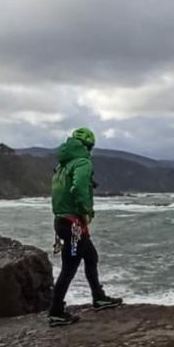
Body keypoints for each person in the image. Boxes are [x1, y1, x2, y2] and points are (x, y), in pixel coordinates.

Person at [48, 127, 123, 326]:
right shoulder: (82, 162)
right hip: (74, 224)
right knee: (69, 267)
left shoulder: (62, 165)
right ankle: (56, 312)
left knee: (91, 257)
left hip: (62, 221)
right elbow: (79, 187)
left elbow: (61, 193)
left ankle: (99, 297)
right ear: (88, 146)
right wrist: (86, 211)